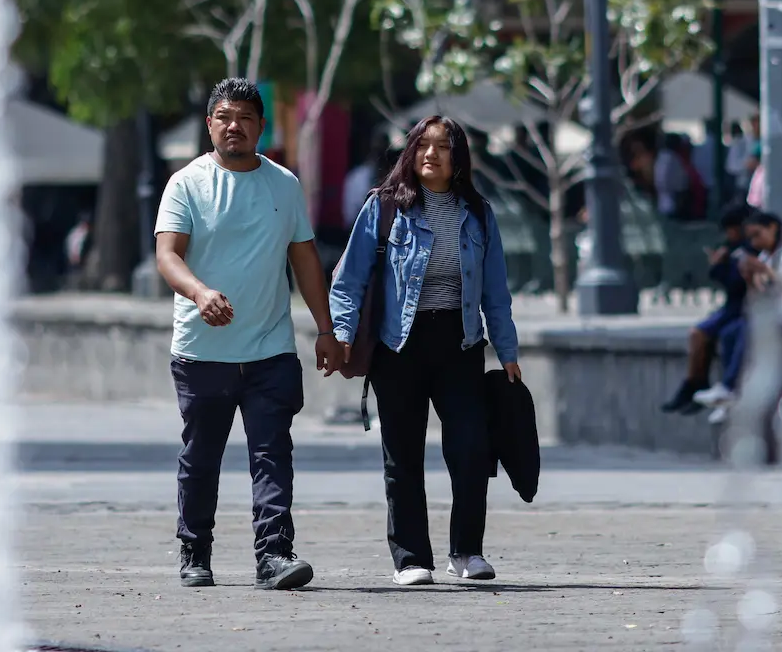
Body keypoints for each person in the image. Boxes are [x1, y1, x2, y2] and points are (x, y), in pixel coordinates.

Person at [154, 77, 343, 591]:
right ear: (210, 124)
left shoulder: (284, 183)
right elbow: (168, 255)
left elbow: (304, 258)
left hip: (270, 348)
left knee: (272, 454)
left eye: (245, 117)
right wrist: (198, 293)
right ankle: (195, 550)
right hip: (202, 351)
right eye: (224, 116)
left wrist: (326, 329)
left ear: (262, 127)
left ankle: (274, 555)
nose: (233, 125)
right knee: (201, 458)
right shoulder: (186, 184)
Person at [329, 114, 521, 587]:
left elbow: (496, 290)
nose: (430, 154)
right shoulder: (385, 208)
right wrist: (342, 332)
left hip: (460, 344)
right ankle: (411, 558)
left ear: (459, 157)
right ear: (410, 153)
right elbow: (349, 279)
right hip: (400, 345)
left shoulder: (478, 213)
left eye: (442, 146)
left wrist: (508, 348)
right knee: (403, 455)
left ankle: (467, 552)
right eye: (421, 145)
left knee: (472, 448)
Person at [692, 211, 782, 424]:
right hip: (779, 314)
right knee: (730, 332)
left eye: (757, 235)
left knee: (751, 328)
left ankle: (729, 388)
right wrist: (750, 279)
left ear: (772, 228)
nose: (755, 242)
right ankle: (730, 393)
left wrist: (766, 271)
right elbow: (760, 297)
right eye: (750, 238)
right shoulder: (765, 257)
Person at [661, 203, 752, 415]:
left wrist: (721, 266)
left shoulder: (748, 250)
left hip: (741, 307)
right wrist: (718, 264)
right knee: (698, 334)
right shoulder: (731, 247)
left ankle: (710, 386)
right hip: (732, 306)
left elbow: (737, 283)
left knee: (725, 334)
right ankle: (694, 383)